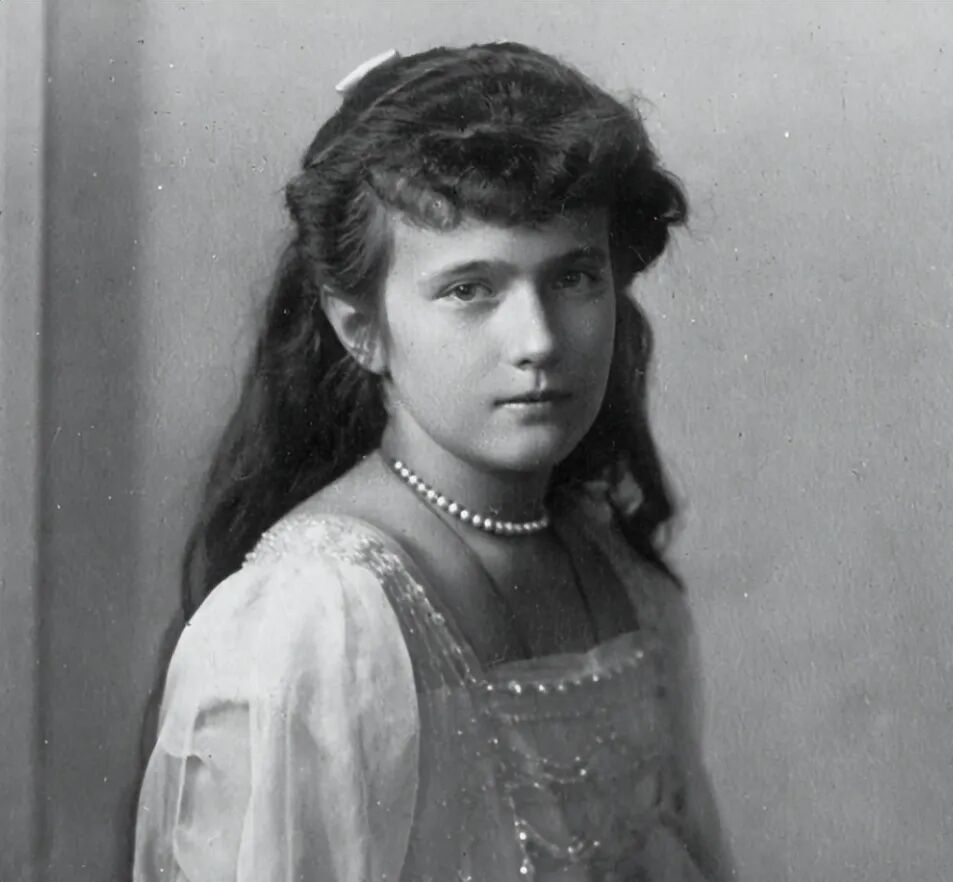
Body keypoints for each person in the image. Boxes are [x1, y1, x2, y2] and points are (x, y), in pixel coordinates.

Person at [133, 42, 727, 882]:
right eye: (469, 289)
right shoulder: (314, 624)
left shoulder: (622, 577)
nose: (537, 341)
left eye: (573, 277)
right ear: (360, 329)